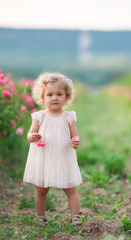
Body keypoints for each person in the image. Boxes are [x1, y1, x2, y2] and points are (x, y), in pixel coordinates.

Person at [23, 72, 82, 225]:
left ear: (66, 97)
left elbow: (75, 135)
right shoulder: (39, 116)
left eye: (59, 94)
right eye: (49, 94)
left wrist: (75, 140)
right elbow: (30, 134)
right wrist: (33, 137)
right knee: (41, 188)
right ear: (43, 98)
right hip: (44, 155)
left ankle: (75, 215)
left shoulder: (69, 117)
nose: (54, 98)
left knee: (70, 187)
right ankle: (41, 216)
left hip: (63, 155)